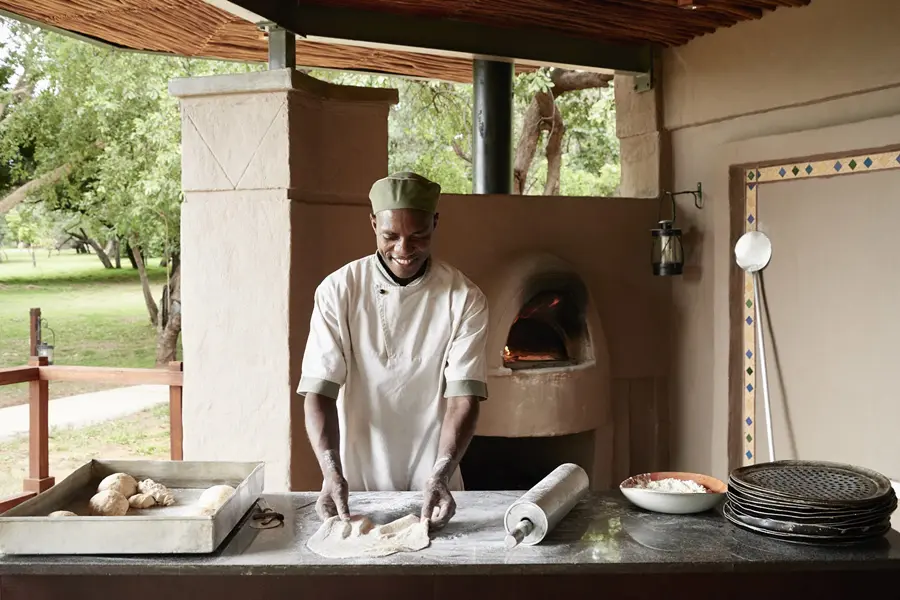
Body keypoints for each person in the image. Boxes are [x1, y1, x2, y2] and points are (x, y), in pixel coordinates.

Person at [297, 171, 489, 530]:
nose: (403, 249)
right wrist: (331, 472)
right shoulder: (338, 291)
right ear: (372, 223)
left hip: (436, 481)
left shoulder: (464, 298)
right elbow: (319, 392)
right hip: (354, 485)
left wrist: (442, 473)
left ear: (435, 222)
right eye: (390, 236)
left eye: (418, 236)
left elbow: (464, 398)